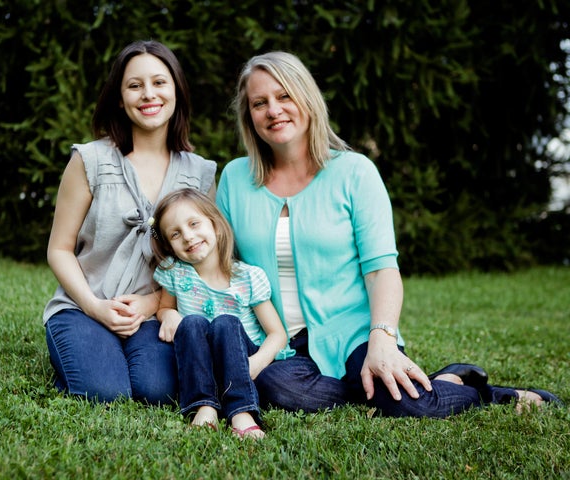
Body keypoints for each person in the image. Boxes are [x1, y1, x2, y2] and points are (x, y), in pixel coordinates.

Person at [216, 51, 563, 417]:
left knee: (410, 406)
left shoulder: (354, 172)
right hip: (278, 342)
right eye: (260, 103)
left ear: (307, 98)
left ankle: (487, 394)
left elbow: (381, 269)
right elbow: (221, 267)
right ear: (248, 116)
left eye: (284, 95)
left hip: (351, 333)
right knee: (277, 387)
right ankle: (418, 383)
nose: (274, 110)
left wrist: (381, 339)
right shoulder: (236, 179)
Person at [43, 40, 216, 405]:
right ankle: (80, 349)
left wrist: (152, 305)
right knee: (106, 392)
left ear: (177, 92)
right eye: (135, 85)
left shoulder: (199, 173)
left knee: (159, 390)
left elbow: (204, 262)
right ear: (120, 99)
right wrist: (95, 307)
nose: (148, 94)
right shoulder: (89, 160)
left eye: (159, 83)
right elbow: (59, 249)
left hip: (153, 312)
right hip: (84, 306)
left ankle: (114, 354)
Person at [150, 188, 289, 439]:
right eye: (176, 234)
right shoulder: (176, 272)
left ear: (215, 226)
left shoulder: (247, 277)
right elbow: (164, 307)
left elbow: (277, 334)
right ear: (169, 245)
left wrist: (256, 362)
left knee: (225, 323)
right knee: (192, 322)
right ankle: (204, 407)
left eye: (194, 224)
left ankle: (241, 411)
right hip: (201, 360)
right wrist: (167, 314)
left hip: (242, 360)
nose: (188, 237)